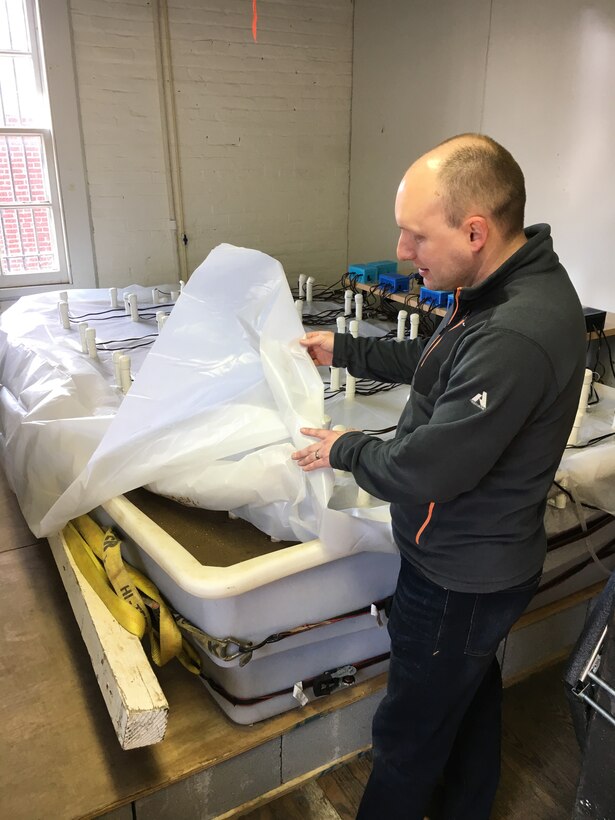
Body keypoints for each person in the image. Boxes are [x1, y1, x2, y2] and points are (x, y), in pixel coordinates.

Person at [291, 133, 586, 819]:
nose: (399, 251)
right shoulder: (501, 284)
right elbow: (439, 361)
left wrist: (343, 448)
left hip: (458, 577)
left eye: (414, 235)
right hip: (478, 568)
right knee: (469, 698)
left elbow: (423, 471)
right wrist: (347, 347)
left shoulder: (515, 331)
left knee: (408, 738)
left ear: (474, 231)